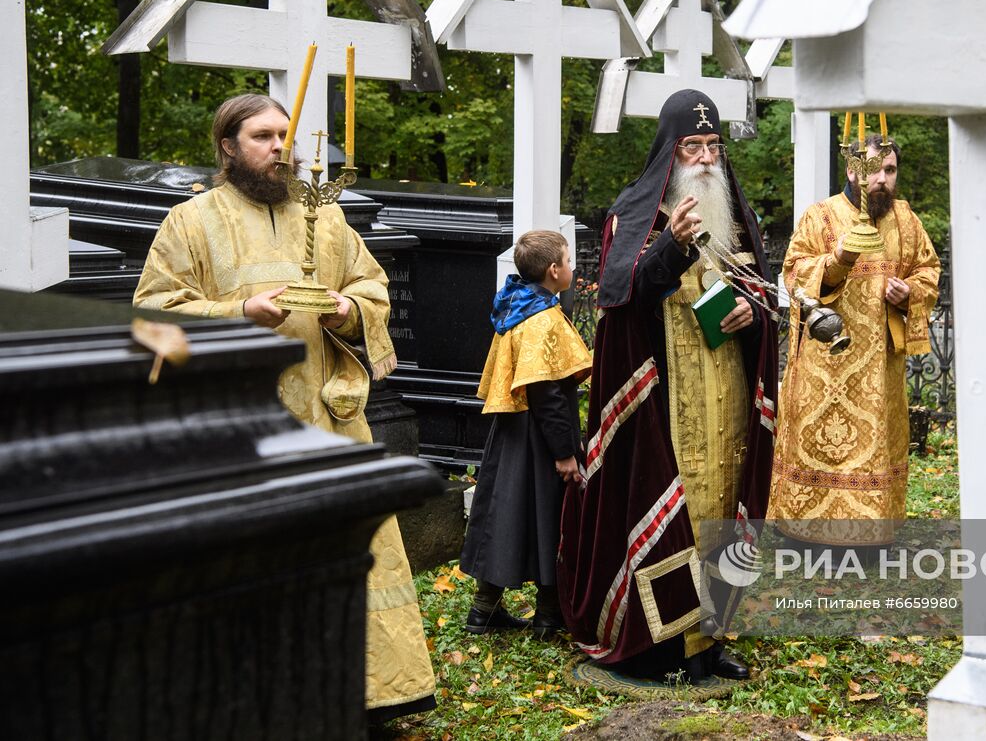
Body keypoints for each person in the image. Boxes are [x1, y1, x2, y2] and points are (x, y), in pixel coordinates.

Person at [133, 93, 436, 721]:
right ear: (228, 147)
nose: (280, 149)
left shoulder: (324, 219)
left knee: (352, 550)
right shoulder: (190, 221)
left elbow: (371, 285)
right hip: (242, 433)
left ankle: (368, 694)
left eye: (285, 136)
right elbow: (152, 318)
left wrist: (350, 310)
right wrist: (238, 312)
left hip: (329, 422)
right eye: (263, 137)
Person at [558, 89, 778, 684]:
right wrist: (670, 246)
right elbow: (619, 301)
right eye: (692, 146)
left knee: (723, 500)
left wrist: (751, 318)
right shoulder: (634, 213)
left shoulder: (736, 214)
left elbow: (762, 295)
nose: (706, 158)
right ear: (671, 151)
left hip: (727, 385)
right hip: (664, 396)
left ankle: (711, 639)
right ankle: (663, 645)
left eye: (713, 145)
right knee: (674, 501)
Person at [770, 135, 941, 547]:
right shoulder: (820, 217)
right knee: (821, 446)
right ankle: (805, 533)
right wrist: (837, 260)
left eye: (890, 170)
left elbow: (928, 270)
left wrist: (910, 292)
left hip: (879, 371)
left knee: (876, 446)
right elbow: (793, 275)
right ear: (852, 170)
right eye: (873, 171)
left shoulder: (905, 220)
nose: (882, 179)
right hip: (824, 364)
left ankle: (873, 536)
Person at [461, 230, 592, 637]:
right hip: (541, 437)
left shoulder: (517, 305)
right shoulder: (542, 321)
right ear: (554, 271)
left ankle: (484, 611)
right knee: (552, 517)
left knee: (506, 514)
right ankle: (549, 617)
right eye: (569, 261)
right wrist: (565, 452)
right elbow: (547, 391)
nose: (573, 267)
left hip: (511, 431)